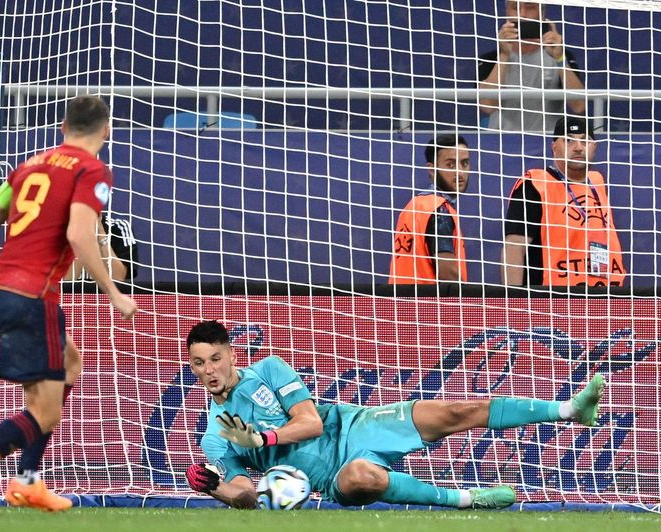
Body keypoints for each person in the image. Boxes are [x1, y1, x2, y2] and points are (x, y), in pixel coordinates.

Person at [0, 95, 138, 516]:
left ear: (62, 127)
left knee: (69, 364)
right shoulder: (91, 171)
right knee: (45, 414)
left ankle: (27, 481)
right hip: (33, 296)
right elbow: (79, 235)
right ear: (106, 130)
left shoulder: (28, 167)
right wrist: (114, 292)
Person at [184, 320, 606, 509]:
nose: (209, 371)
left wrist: (263, 441)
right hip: (333, 477)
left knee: (455, 410)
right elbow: (247, 496)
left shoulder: (271, 368)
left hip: (351, 425)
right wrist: (212, 487)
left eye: (215, 359)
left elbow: (310, 422)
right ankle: (465, 500)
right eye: (199, 364)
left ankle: (570, 408)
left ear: (232, 354)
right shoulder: (215, 437)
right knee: (364, 478)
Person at [502, 116, 626, 287]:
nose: (578, 148)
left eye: (585, 141)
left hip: (605, 299)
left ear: (594, 148)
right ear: (554, 147)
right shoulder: (535, 185)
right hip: (551, 303)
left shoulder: (597, 183)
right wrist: (513, 302)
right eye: (568, 140)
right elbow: (514, 248)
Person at [477, 1, 586, 133]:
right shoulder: (491, 58)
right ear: (507, 12)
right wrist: (504, 55)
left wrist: (559, 59)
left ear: (542, 12)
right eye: (515, 7)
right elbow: (487, 106)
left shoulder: (560, 56)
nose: (522, 14)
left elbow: (579, 106)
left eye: (530, 7)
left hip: (548, 143)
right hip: (502, 143)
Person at [389, 134, 471, 284]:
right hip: (429, 306)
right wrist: (470, 306)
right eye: (450, 165)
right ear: (431, 169)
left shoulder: (413, 206)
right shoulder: (440, 210)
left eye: (464, 163)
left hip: (399, 304)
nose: (460, 172)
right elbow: (447, 273)